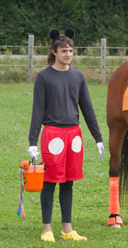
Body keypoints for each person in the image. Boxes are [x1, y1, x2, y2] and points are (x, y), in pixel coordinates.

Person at [28, 28, 105, 243]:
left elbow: (87, 109)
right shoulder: (44, 77)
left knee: (69, 182)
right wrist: (32, 142)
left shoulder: (78, 77)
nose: (68, 54)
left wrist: (98, 137)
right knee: (50, 181)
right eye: (64, 51)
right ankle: (46, 228)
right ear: (54, 52)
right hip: (53, 135)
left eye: (71, 51)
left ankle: (67, 228)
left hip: (74, 135)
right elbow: (37, 110)